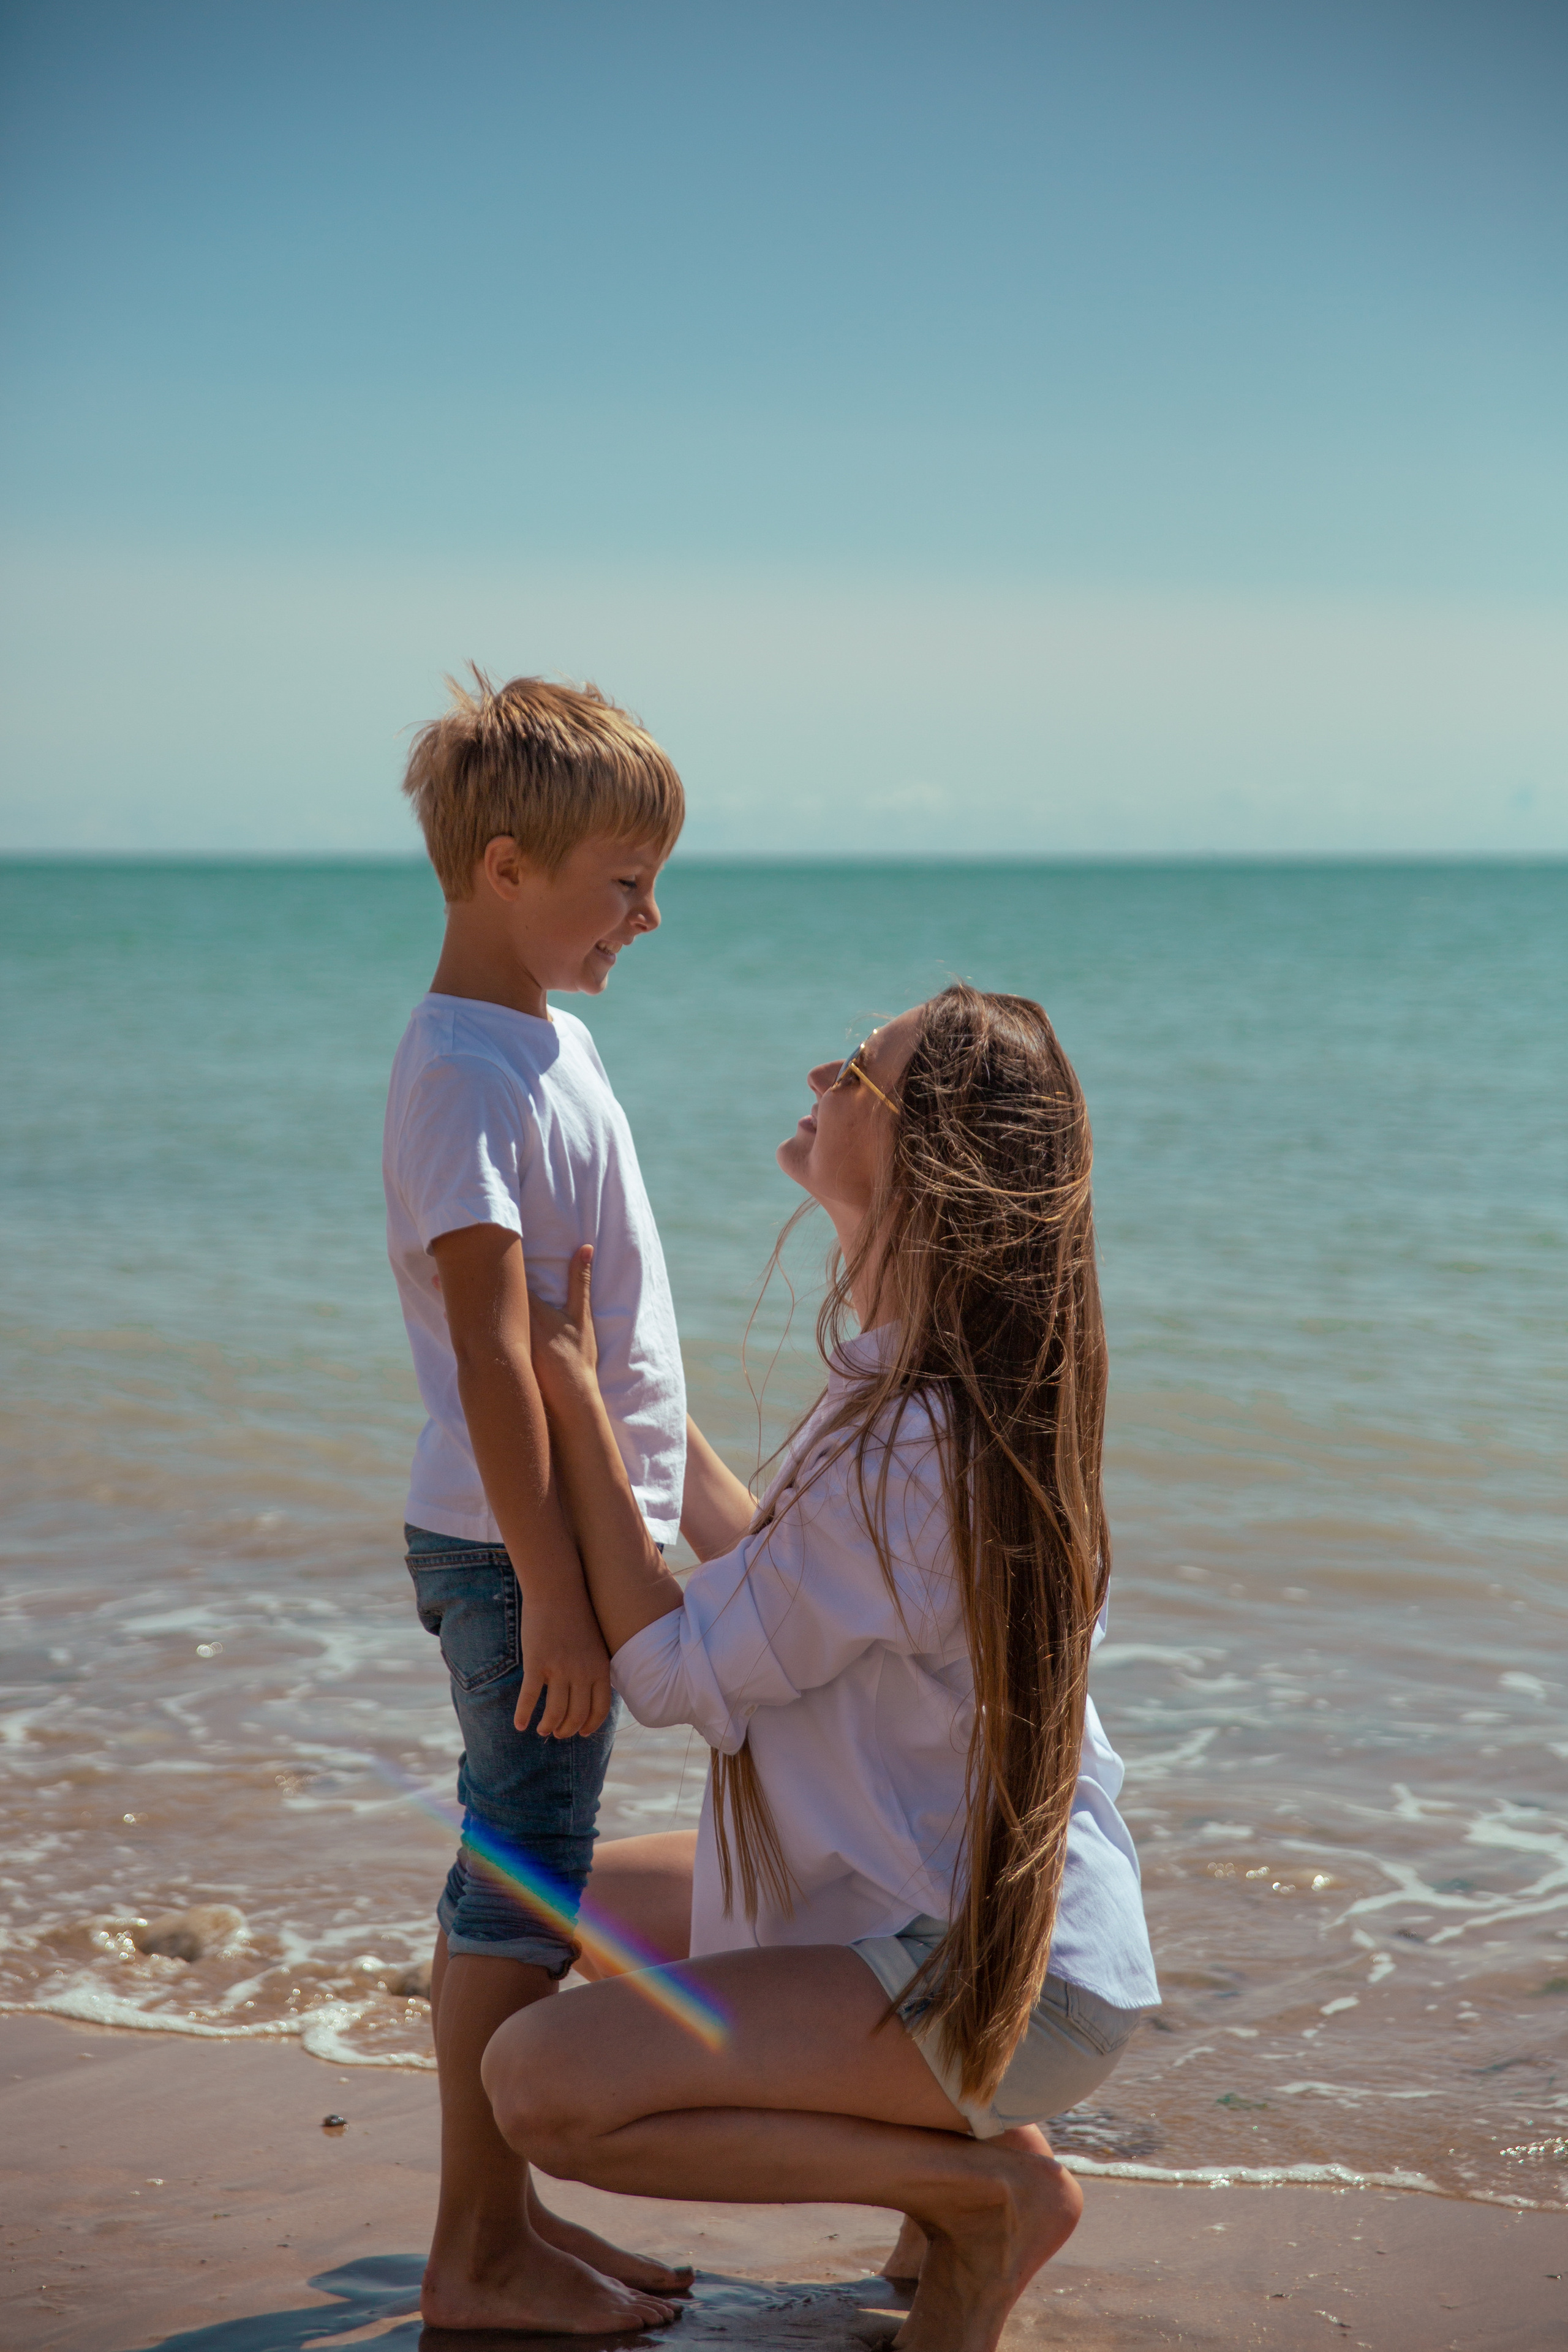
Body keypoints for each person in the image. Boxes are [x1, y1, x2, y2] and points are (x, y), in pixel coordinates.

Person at [483, 984, 1161, 2352]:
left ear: (923, 1160)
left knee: (538, 2085)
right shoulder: (921, 1397)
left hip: (986, 1974)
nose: (817, 1070)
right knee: (536, 1900)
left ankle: (978, 2192)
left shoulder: (914, 1445)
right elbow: (776, 1566)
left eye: (857, 1066)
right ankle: (949, 2185)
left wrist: (571, 1400)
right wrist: (629, 1396)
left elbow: (673, 1672)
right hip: (979, 1927)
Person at [382, 671, 694, 2334]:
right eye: (622, 883)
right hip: (523, 1553)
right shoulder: (465, 1072)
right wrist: (561, 1593)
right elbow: (500, 1361)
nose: (649, 915)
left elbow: (612, 1326)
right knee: (519, 1881)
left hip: (566, 1537)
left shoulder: (548, 1041)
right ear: (505, 866)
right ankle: (475, 2250)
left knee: (540, 1870)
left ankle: (510, 2229)